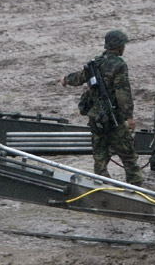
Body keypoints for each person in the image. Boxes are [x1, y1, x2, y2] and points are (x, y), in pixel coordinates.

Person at [59, 29, 143, 185]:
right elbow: (123, 93)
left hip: (96, 118)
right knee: (128, 156)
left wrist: (65, 79)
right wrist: (129, 117)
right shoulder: (119, 65)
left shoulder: (95, 63)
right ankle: (136, 186)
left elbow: (79, 77)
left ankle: (102, 185)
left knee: (100, 157)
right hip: (114, 118)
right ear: (119, 46)